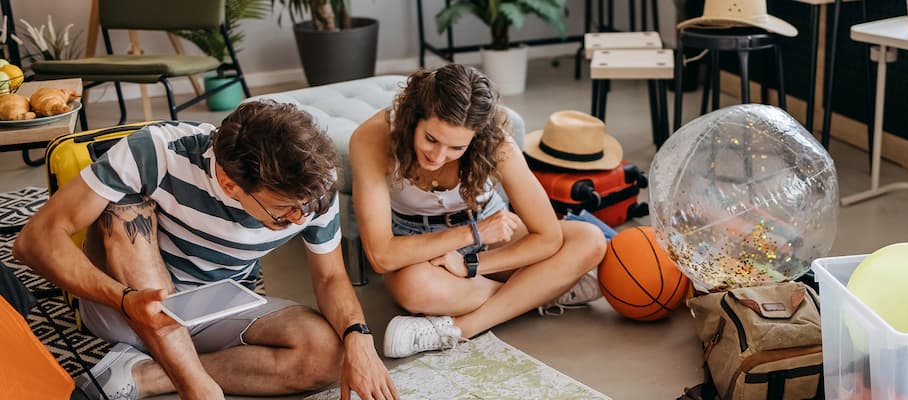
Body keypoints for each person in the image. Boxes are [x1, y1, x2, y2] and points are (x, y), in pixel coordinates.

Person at [14, 100, 398, 400]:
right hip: (128, 306)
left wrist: (358, 337)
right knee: (126, 210)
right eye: (282, 213)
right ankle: (188, 378)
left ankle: (143, 375)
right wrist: (127, 300)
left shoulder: (312, 187)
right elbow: (34, 240)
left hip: (212, 307)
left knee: (329, 356)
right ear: (230, 184)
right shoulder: (156, 151)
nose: (299, 219)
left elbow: (330, 276)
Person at [349, 64, 608, 358]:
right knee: (414, 288)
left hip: (489, 232)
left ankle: (462, 328)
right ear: (414, 118)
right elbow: (381, 256)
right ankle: (543, 289)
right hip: (419, 242)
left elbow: (547, 236)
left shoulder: (495, 142)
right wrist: (473, 233)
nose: (438, 156)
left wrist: (471, 264)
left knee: (589, 240)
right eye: (431, 139)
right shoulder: (373, 137)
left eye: (456, 148)